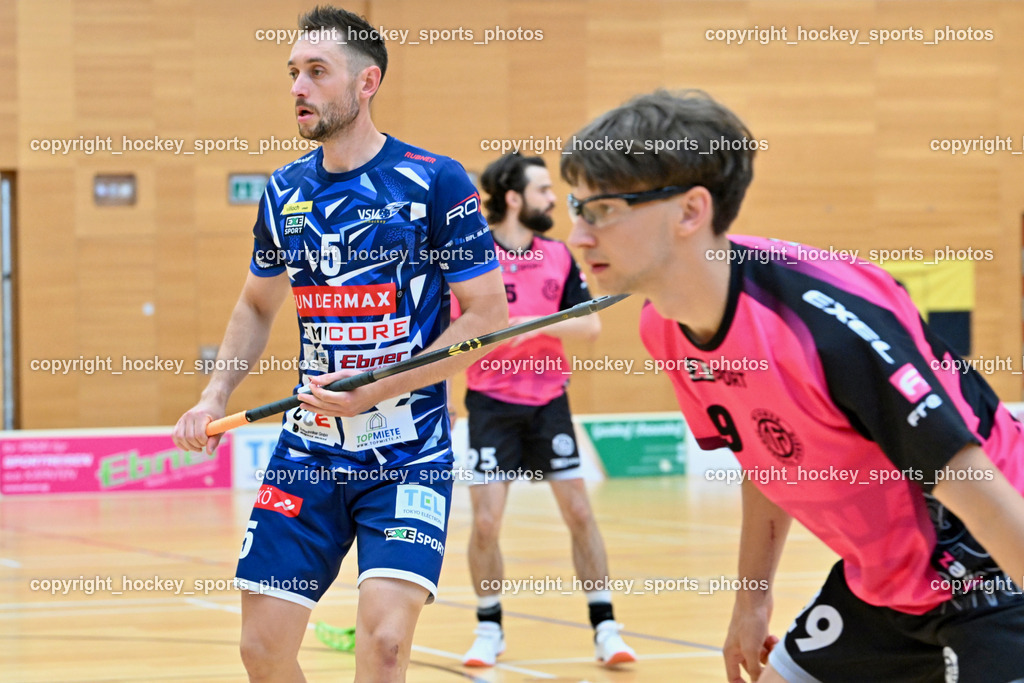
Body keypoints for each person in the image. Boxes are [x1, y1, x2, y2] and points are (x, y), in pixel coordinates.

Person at [560, 89, 1024, 683]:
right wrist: (751, 601)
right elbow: (767, 453)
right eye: (577, 208)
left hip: (992, 567)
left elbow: (977, 488)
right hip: (886, 587)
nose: (578, 235)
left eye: (602, 210)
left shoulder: (827, 329)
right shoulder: (666, 325)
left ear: (689, 211)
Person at [172, 7, 507, 682]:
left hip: (408, 453)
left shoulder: (435, 182)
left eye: (317, 72)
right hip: (309, 452)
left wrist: (378, 389)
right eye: (293, 72)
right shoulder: (285, 191)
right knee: (261, 648)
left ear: (367, 82)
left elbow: (486, 316)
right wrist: (214, 393)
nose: (298, 86)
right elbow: (256, 302)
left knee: (383, 646)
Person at [452, 153, 636, 668]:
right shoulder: (472, 257)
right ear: (513, 198)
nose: (554, 199)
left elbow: (590, 327)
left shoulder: (557, 256)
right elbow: (457, 333)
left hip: (549, 402)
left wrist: (532, 323)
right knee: (486, 522)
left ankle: (606, 628)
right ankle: (489, 627)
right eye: (542, 191)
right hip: (490, 405)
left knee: (579, 511)